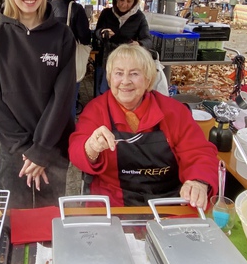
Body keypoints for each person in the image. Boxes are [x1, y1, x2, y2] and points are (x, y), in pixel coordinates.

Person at [69, 44, 219, 208]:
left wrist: (198, 182)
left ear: (148, 79)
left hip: (168, 203)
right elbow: (76, 149)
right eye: (119, 73)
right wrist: (90, 147)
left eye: (134, 74)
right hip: (113, 205)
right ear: (110, 78)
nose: (125, 81)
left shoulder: (174, 112)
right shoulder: (96, 110)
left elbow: (200, 152)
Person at [0, 0, 76, 209]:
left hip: (52, 147)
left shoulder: (62, 35)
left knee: (50, 221)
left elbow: (63, 96)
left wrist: (42, 149)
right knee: (14, 219)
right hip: (14, 150)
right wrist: (25, 149)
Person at [95, 0, 152, 95]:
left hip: (128, 65)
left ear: (134, 2)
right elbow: (96, 33)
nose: (124, 4)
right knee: (103, 95)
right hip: (106, 60)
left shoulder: (139, 17)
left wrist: (139, 44)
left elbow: (148, 40)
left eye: (129, 1)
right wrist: (102, 33)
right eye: (121, 0)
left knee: (122, 94)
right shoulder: (106, 13)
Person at [50, 0, 92, 116]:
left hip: (48, 59)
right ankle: (68, 132)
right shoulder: (75, 8)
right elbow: (85, 37)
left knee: (50, 100)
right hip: (69, 61)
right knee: (70, 100)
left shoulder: (47, 5)